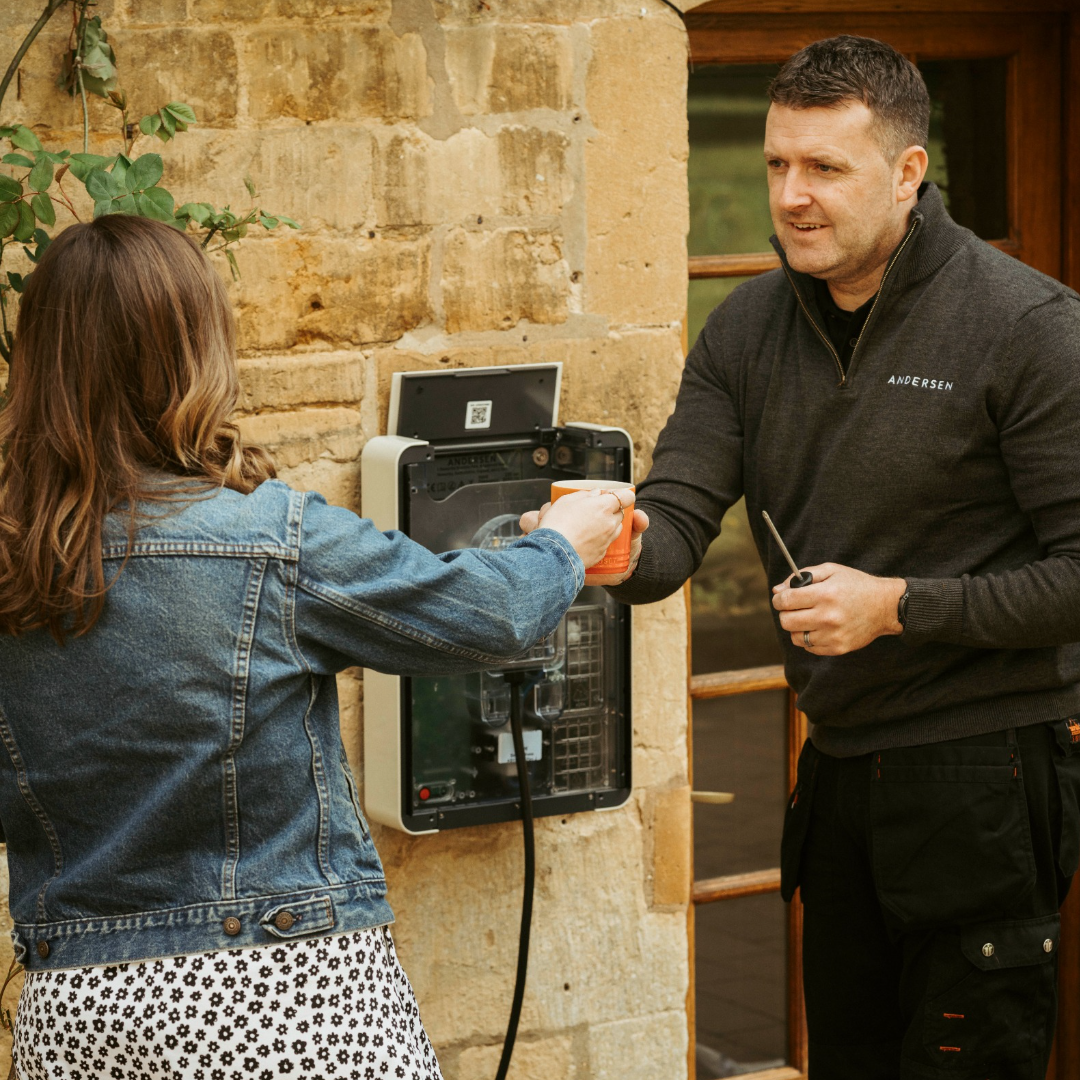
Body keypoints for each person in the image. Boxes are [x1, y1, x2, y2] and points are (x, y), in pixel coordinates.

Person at [531, 34, 1080, 1080]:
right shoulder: (746, 326)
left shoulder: (1031, 330)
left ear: (908, 173)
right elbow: (679, 518)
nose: (792, 196)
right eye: (777, 165)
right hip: (833, 775)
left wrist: (901, 607)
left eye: (826, 168)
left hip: (988, 773)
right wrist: (601, 549)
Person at [0, 214, 633, 1080]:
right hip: (281, 996)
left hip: (79, 1015)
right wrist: (563, 539)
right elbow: (491, 615)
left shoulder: (12, 563)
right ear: (195, 355)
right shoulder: (265, 542)